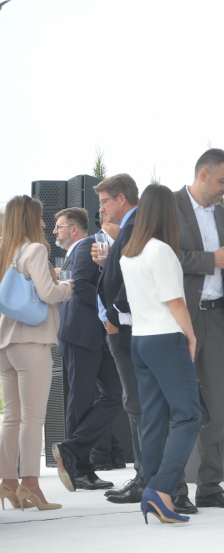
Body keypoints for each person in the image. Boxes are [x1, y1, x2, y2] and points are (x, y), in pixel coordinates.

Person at [119, 184, 202, 524]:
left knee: (153, 418)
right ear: (168, 213)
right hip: (166, 338)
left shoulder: (128, 254)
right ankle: (162, 489)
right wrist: (191, 336)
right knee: (189, 416)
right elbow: (175, 302)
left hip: (140, 340)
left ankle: (153, 489)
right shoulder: (161, 251)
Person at [172, 148, 224, 513]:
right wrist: (210, 260)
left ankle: (211, 486)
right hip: (182, 319)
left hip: (217, 317)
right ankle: (174, 488)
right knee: (178, 406)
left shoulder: (221, 214)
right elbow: (166, 257)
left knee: (215, 407)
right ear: (203, 174)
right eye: (222, 181)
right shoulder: (170, 207)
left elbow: (223, 265)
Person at [0, 195, 73, 511]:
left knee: (11, 417)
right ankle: (30, 484)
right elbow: (48, 294)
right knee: (33, 417)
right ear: (30, 219)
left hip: (5, 342)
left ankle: (7, 482)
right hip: (31, 341)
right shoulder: (36, 250)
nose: (44, 224)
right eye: (41, 217)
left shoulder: (4, 250)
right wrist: (67, 287)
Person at [50, 207, 122, 492]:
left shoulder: (85, 246)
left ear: (74, 229)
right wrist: (111, 310)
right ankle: (80, 468)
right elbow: (80, 286)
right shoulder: (83, 248)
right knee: (81, 401)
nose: (54, 231)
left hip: (89, 334)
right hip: (83, 334)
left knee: (115, 394)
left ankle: (72, 450)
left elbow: (78, 284)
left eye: (58, 226)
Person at [92, 174, 145, 504]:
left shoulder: (135, 225)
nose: (101, 209)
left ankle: (146, 478)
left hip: (126, 328)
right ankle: (145, 476)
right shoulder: (130, 226)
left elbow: (135, 276)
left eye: (104, 202)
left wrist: (113, 316)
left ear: (121, 199)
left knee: (137, 404)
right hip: (124, 326)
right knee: (135, 403)